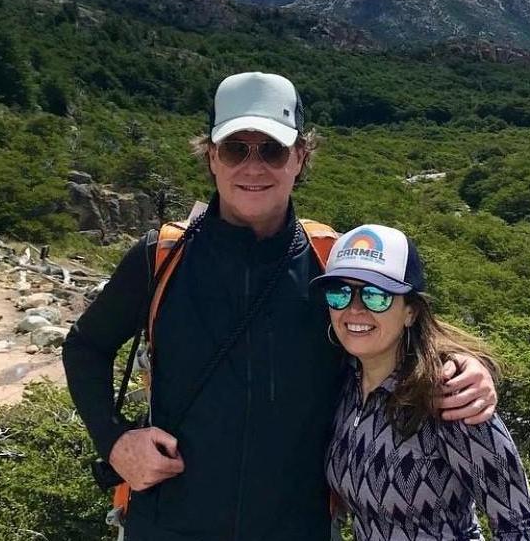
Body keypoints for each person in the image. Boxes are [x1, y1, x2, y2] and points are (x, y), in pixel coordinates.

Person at [63, 72, 498, 541]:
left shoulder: (332, 260)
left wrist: (467, 366)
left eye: (272, 150)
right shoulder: (161, 258)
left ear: (300, 158)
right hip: (168, 522)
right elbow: (86, 346)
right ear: (211, 157)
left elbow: (406, 329)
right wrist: (113, 441)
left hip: (300, 526)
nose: (254, 168)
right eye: (235, 149)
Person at [315, 223, 530, 541]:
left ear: (410, 311)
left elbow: (518, 525)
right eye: (339, 293)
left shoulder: (449, 394)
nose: (354, 309)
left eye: (376, 296)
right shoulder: (345, 385)